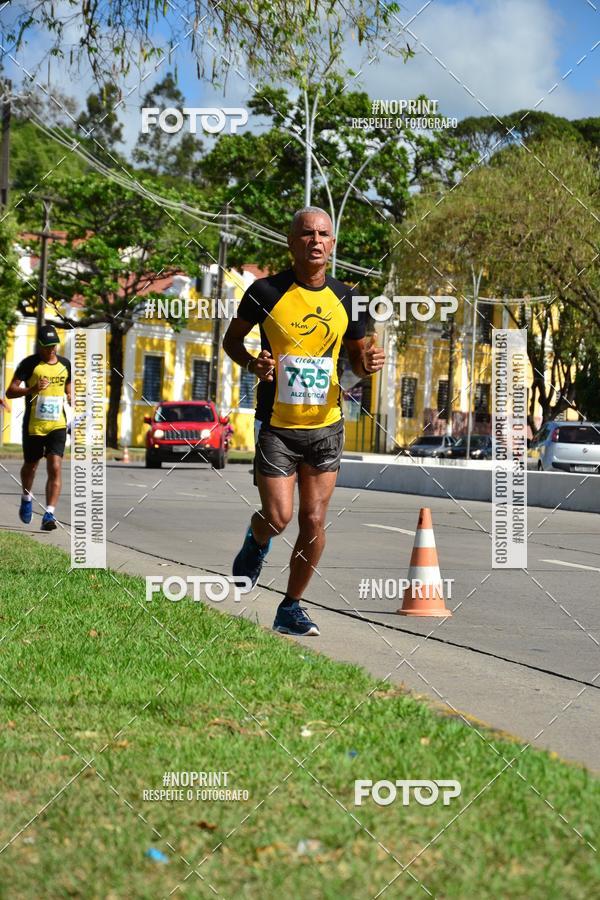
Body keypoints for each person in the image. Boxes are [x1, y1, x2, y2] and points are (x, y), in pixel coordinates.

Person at [223, 206, 385, 636]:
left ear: (332, 245)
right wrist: (252, 363)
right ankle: (256, 540)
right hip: (277, 424)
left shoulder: (348, 298)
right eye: (307, 234)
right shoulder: (264, 292)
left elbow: (355, 357)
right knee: (278, 517)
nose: (316, 240)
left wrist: (368, 363)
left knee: (313, 521)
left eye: (324, 234)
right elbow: (232, 341)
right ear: (292, 242)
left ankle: (291, 607)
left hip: (327, 424)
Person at [6, 323, 72, 531]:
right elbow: (10, 391)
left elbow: (68, 384)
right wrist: (32, 388)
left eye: (54, 346)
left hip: (57, 424)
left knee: (55, 466)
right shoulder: (29, 364)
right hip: (34, 425)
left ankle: (49, 513)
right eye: (47, 346)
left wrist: (71, 394)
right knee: (30, 467)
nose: (51, 350)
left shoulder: (65, 364)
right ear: (40, 345)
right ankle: (27, 497)